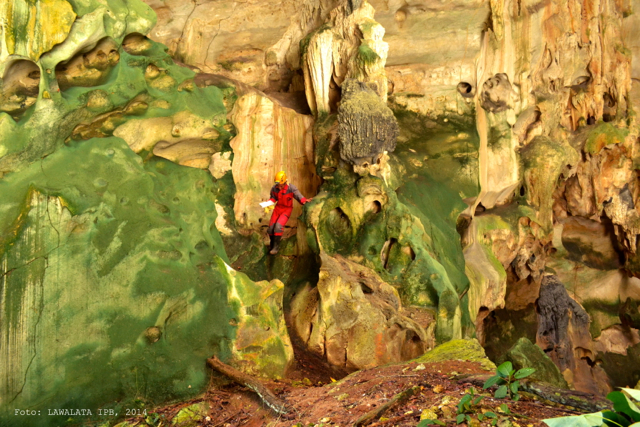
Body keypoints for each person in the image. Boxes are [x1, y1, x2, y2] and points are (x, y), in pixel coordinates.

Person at [265, 171, 312, 255]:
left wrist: (304, 201)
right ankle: (272, 245)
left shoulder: (291, 188)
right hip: (277, 209)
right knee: (271, 229)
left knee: (278, 227)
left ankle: (276, 247)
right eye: (278, 185)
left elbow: (298, 196)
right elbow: (273, 198)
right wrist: (268, 203)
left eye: (281, 186)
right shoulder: (274, 188)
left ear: (285, 182)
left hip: (286, 210)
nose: (279, 188)